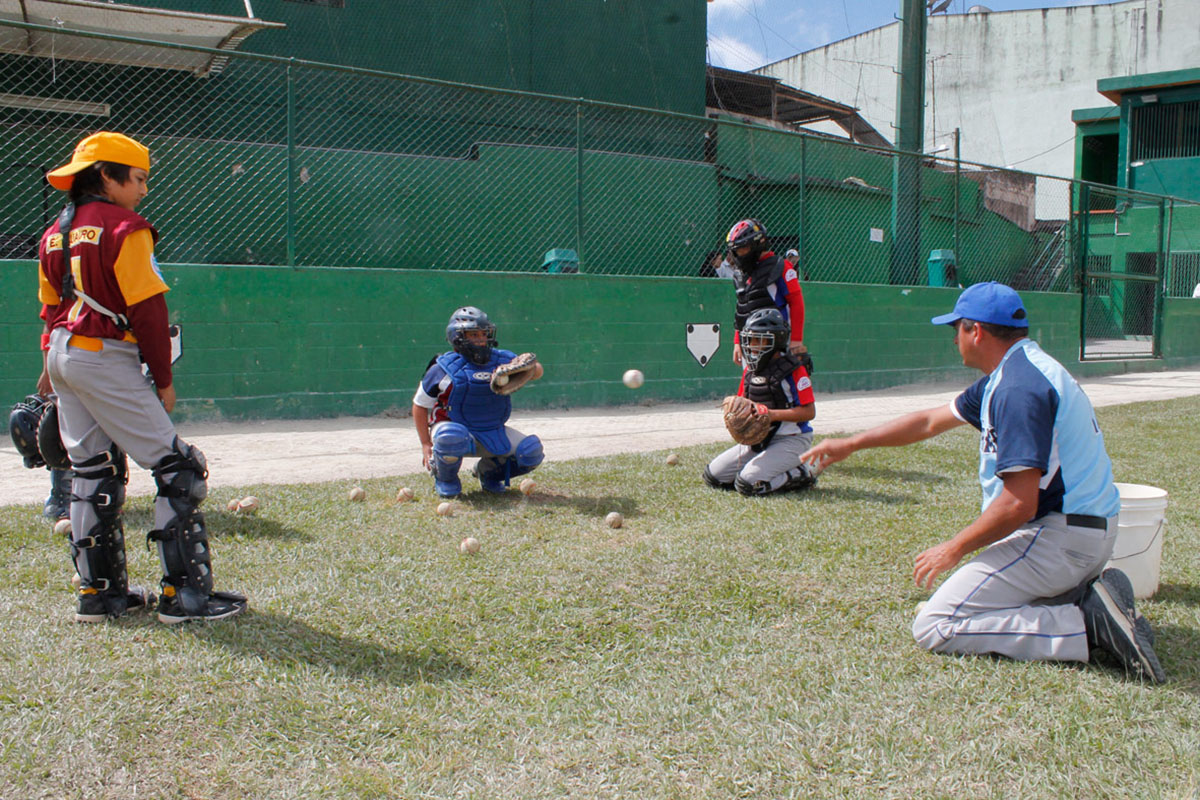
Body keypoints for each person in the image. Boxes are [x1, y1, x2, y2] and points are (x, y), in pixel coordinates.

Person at [802, 282, 1164, 683]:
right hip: (1082, 535)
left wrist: (953, 548)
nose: (953, 338)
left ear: (975, 330)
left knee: (937, 623)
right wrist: (851, 443)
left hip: (1060, 540)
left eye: (955, 328)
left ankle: (1083, 625)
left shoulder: (1017, 389)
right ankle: (1091, 599)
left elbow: (1018, 504)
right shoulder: (1019, 369)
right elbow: (928, 421)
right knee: (968, 603)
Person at [38, 131, 247, 624]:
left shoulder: (55, 232)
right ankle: (185, 598)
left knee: (91, 470)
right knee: (180, 469)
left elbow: (51, 309)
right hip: (104, 357)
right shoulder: (125, 227)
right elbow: (149, 310)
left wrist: (49, 366)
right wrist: (163, 376)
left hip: (64, 354)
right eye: (137, 178)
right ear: (106, 176)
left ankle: (100, 595)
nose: (143, 190)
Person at [413, 306, 545, 498]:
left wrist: (527, 370)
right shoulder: (443, 368)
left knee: (531, 452)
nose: (481, 340)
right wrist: (425, 443)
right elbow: (419, 405)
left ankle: (488, 473)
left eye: (484, 334)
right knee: (451, 435)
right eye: (473, 334)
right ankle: (446, 478)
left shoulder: (502, 359)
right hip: (452, 428)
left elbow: (537, 370)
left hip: (490, 429)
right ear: (457, 337)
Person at [704, 308, 818, 496]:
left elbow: (809, 412)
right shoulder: (750, 370)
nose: (752, 345)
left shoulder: (794, 370)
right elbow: (744, 403)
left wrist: (771, 414)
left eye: (759, 339)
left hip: (792, 440)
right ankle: (765, 465)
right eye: (750, 340)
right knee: (714, 476)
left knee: (748, 484)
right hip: (760, 440)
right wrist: (734, 411)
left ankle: (803, 472)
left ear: (777, 341)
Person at [724, 219, 805, 365]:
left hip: (778, 343)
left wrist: (796, 341)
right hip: (753, 343)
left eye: (743, 249)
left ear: (757, 244)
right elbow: (743, 308)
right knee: (752, 385)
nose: (739, 255)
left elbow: (796, 302)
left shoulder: (780, 267)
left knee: (779, 382)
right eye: (736, 251)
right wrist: (738, 341)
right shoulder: (743, 273)